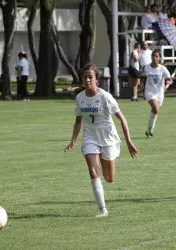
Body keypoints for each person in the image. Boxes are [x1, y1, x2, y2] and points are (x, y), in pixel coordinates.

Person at [64, 63, 139, 217]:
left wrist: (129, 142)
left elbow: (122, 119)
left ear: (96, 79)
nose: (87, 80)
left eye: (90, 77)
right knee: (92, 171)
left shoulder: (105, 97)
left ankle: (105, 189)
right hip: (90, 137)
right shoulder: (80, 98)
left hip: (108, 138)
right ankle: (102, 209)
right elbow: (78, 122)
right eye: (85, 77)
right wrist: (73, 140)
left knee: (109, 178)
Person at [142, 49, 172, 137]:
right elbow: (143, 77)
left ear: (159, 58)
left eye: (156, 56)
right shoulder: (146, 67)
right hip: (149, 92)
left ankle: (149, 130)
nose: (154, 58)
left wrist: (169, 82)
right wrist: (142, 87)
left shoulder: (162, 68)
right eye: (153, 56)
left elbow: (169, 78)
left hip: (159, 93)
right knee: (156, 108)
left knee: (155, 111)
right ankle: (150, 131)